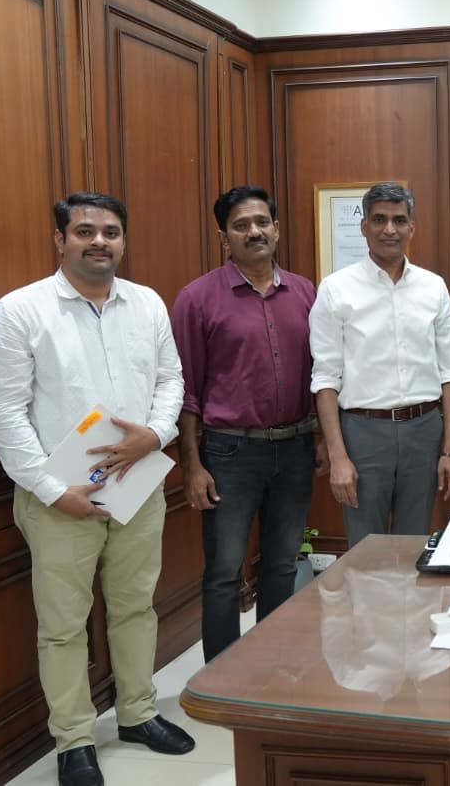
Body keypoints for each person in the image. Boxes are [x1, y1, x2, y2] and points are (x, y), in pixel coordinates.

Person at [0, 192, 193, 786]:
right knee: (63, 625)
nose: (100, 241)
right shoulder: (18, 312)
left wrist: (157, 433)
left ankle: (137, 714)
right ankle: (73, 740)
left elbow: (171, 378)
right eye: (85, 231)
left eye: (111, 232)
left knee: (135, 606)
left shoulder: (147, 303)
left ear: (123, 240)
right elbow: (0, 412)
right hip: (61, 497)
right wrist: (51, 490)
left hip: (137, 485)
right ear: (60, 240)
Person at [171, 186, 322, 662]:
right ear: (224, 237)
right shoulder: (197, 299)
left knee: (281, 564)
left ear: (276, 229)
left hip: (296, 447)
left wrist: (320, 437)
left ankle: (269, 668)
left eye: (261, 222)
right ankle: (220, 675)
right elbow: (185, 390)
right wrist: (191, 465)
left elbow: (322, 374)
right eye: (241, 225)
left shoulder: (304, 292)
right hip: (229, 453)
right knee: (224, 571)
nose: (253, 232)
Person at [309, 182, 450, 546]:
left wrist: (449, 449)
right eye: (379, 220)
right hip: (363, 432)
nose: (389, 229)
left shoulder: (434, 287)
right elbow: (325, 378)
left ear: (412, 227)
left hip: (424, 430)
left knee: (413, 544)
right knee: (366, 548)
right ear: (364, 226)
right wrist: (338, 456)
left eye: (399, 220)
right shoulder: (335, 288)